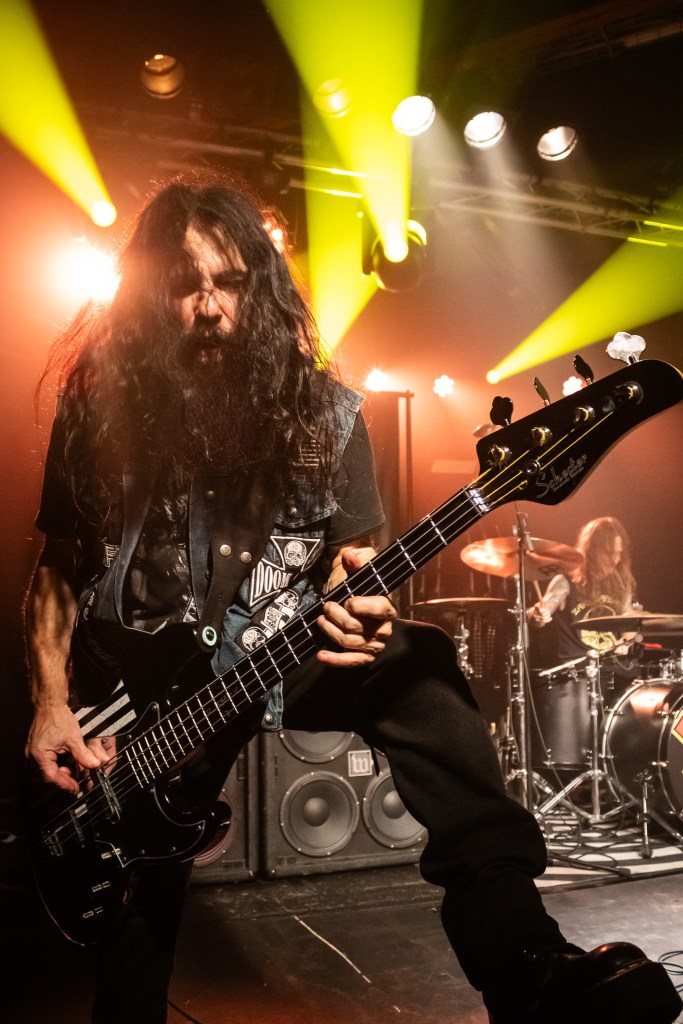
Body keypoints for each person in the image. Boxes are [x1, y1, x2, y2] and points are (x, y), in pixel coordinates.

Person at [24, 175, 681, 1024]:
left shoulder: (326, 415)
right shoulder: (97, 404)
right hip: (135, 693)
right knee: (140, 893)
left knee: (420, 663)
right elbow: (58, 566)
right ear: (152, 294)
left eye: (228, 283)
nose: (210, 308)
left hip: (275, 655)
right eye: (185, 287)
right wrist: (48, 702)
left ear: (259, 287)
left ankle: (524, 960)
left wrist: (361, 612)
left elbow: (354, 560)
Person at [528, 516, 642, 691]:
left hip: (616, 671)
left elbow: (629, 627)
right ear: (593, 551)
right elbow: (540, 615)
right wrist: (538, 614)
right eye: (610, 553)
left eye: (619, 553)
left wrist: (625, 643)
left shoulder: (621, 585)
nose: (616, 559)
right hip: (577, 674)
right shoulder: (565, 581)